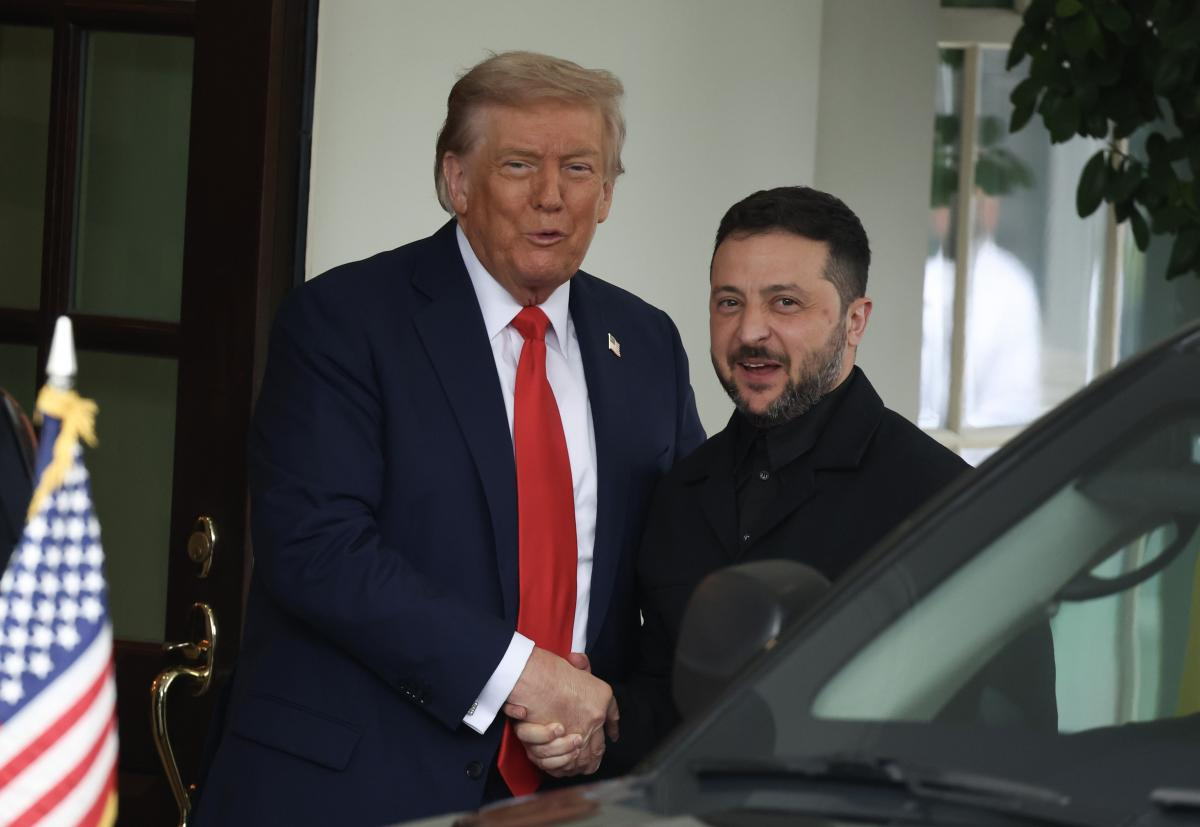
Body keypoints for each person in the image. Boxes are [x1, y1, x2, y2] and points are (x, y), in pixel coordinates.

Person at [193, 51, 704, 826]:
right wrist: (526, 676)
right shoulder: (343, 320)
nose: (551, 196)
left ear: (606, 193)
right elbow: (318, 548)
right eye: (519, 164)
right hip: (354, 790)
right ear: (456, 181)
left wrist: (609, 713)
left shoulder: (648, 343)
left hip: (566, 793)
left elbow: (677, 566)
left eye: (578, 168)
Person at [516, 186, 1054, 776]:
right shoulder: (680, 491)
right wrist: (603, 718)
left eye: (785, 303)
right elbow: (669, 705)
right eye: (729, 302)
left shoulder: (949, 504)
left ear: (855, 320)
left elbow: (1012, 757)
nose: (750, 332)